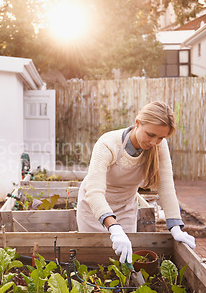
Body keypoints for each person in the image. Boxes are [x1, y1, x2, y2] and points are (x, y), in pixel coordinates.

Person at [77, 101, 196, 264]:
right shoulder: (108, 143)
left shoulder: (159, 147)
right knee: (94, 261)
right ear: (137, 123)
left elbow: (166, 186)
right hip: (94, 209)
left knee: (125, 262)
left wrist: (175, 226)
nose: (154, 142)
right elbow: (94, 191)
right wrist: (113, 226)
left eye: (161, 137)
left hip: (126, 207)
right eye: (150, 135)